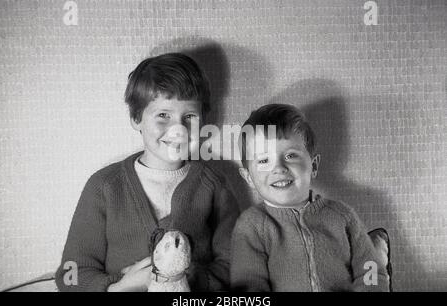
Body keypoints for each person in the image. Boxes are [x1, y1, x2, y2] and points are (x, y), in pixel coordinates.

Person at [55, 53, 239, 291]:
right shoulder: (104, 186)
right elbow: (71, 273)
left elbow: (236, 263)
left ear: (204, 119)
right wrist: (118, 287)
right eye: (163, 115)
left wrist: (185, 277)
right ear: (136, 118)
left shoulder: (215, 186)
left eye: (190, 116)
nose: (177, 129)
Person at [230, 103, 389, 291]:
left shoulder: (343, 216)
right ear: (248, 176)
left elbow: (370, 269)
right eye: (264, 160)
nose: (279, 168)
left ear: (313, 166)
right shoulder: (251, 226)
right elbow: (249, 286)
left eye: (290, 155)